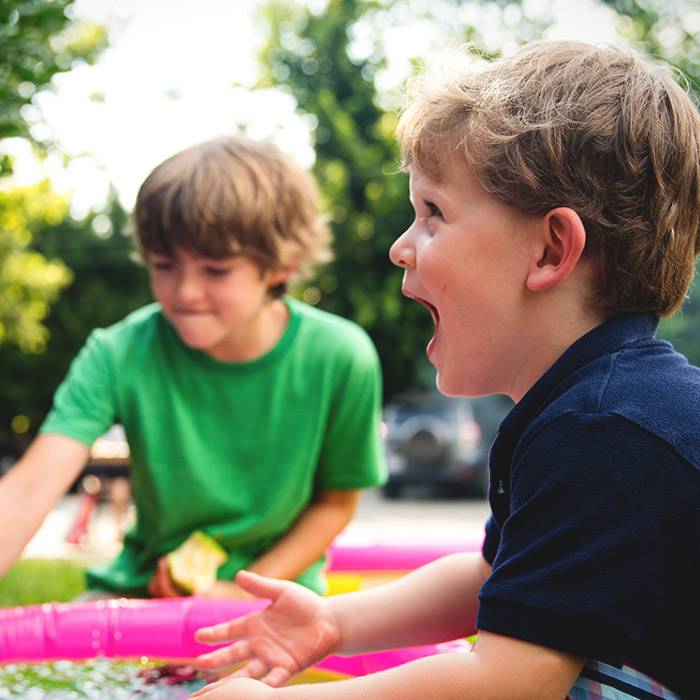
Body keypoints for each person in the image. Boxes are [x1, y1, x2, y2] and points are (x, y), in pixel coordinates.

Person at [187, 41, 700, 699]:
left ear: (550, 249)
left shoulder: (608, 431)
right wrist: (335, 621)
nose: (402, 247)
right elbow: (494, 576)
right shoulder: (586, 410)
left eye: (433, 214)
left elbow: (514, 681)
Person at [0, 136, 386, 599]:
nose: (185, 292)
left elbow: (336, 504)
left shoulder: (341, 355)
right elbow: (29, 490)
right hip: (142, 591)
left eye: (216, 270)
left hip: (277, 595)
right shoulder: (118, 352)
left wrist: (241, 591)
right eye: (164, 265)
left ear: (283, 265)